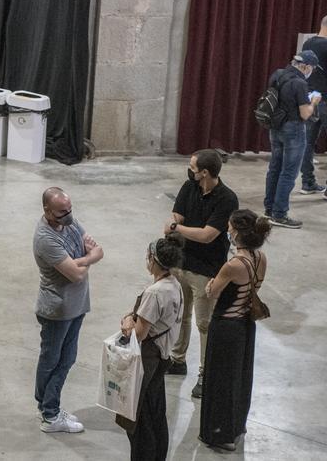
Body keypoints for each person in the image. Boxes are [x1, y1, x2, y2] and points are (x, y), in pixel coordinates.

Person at [166, 149, 239, 398]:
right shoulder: (190, 186)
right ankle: (177, 359)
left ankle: (205, 374)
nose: (190, 170)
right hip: (181, 262)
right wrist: (177, 223)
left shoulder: (227, 199)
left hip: (206, 270)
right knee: (179, 316)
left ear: (205, 173)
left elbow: (208, 235)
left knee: (204, 323)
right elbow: (178, 212)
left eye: (193, 167)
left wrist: (177, 228)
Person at [33, 187, 103, 433]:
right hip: (57, 311)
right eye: (62, 211)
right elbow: (75, 275)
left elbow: (99, 251)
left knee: (67, 359)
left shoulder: (69, 223)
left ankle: (49, 407)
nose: (69, 215)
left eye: (70, 209)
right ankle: (49, 414)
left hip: (76, 306)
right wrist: (87, 259)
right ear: (47, 210)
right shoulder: (46, 238)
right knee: (53, 361)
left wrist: (84, 259)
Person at [198, 209, 269, 452]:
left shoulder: (233, 265)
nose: (227, 230)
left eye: (229, 227)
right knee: (240, 377)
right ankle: (237, 425)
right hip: (246, 325)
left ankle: (221, 434)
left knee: (221, 380)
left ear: (237, 231)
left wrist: (209, 284)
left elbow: (212, 292)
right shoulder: (261, 258)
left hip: (226, 327)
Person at [117, 232, 185, 461]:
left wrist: (127, 323)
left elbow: (139, 334)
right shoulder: (174, 285)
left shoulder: (155, 293)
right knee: (156, 413)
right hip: (162, 357)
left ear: (153, 260)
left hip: (147, 360)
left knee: (140, 420)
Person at [263, 50, 321, 228]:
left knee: (274, 168)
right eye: (311, 68)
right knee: (288, 172)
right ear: (305, 66)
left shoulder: (278, 74)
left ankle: (269, 209)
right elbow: (305, 114)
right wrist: (314, 102)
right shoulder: (300, 83)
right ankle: (280, 214)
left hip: (275, 127)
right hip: (293, 129)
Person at [299, 15, 327, 194]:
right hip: (325, 99)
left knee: (307, 142)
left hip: (309, 97)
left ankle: (307, 182)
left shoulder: (307, 44)